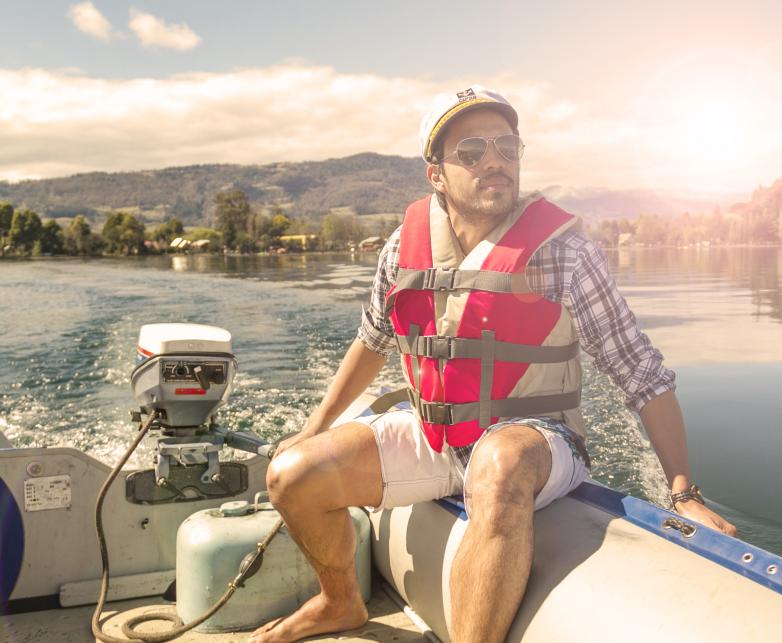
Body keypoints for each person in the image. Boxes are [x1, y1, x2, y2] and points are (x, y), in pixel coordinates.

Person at [250, 86, 736, 643]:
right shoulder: (398, 250)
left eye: (507, 147)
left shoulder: (566, 254)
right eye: (472, 150)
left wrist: (684, 494)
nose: (494, 161)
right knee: (293, 476)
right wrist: (312, 431)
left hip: (537, 443)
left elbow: (641, 371)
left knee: (498, 463)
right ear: (436, 174)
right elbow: (372, 339)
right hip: (439, 439)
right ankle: (340, 603)